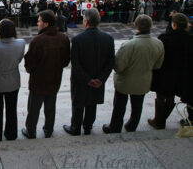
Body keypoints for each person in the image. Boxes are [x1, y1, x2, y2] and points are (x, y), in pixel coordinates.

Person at [103, 15, 164, 133]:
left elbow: (119, 66)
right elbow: (158, 65)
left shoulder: (129, 45)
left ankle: (115, 126)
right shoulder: (158, 43)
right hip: (144, 80)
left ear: (136, 26)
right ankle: (132, 125)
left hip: (125, 81)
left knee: (119, 106)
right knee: (137, 105)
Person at [63, 8, 115, 136]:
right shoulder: (108, 38)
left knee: (78, 103)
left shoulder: (77, 39)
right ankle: (88, 126)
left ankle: (75, 127)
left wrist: (87, 80)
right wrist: (100, 79)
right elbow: (110, 62)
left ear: (86, 22)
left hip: (81, 80)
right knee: (92, 103)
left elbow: (75, 63)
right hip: (98, 79)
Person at [23, 10, 70, 139]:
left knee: (33, 109)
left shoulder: (37, 40)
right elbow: (66, 61)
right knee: (50, 107)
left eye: (39, 21)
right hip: (55, 79)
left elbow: (29, 63)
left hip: (38, 81)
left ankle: (30, 130)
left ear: (46, 23)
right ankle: (48, 129)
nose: (37, 23)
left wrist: (32, 70)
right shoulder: (64, 38)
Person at [148, 13, 193, 129]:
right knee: (171, 96)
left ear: (174, 24)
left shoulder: (165, 38)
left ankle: (159, 121)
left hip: (165, 72)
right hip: (183, 73)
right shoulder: (190, 39)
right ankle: (161, 120)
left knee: (162, 96)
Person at [0, 19, 26, 141]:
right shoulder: (21, 43)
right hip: (13, 79)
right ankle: (11, 133)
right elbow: (19, 60)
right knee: (11, 109)